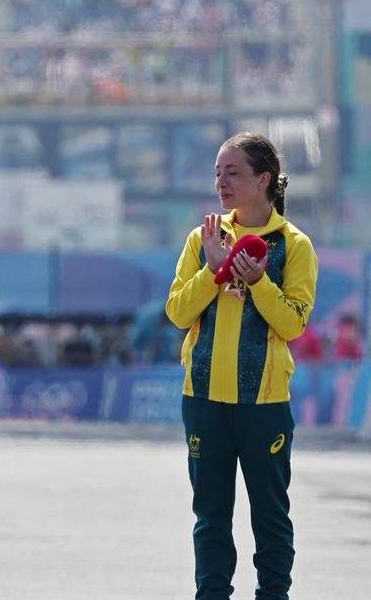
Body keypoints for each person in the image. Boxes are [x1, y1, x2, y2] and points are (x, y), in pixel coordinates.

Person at [166, 132, 318, 600]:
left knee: (270, 515)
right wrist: (214, 272)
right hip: (204, 401)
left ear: (264, 179)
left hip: (264, 405)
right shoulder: (204, 237)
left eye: (232, 172)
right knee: (210, 515)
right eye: (217, 173)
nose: (221, 183)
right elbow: (177, 312)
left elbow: (293, 325)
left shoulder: (292, 246)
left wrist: (258, 283)